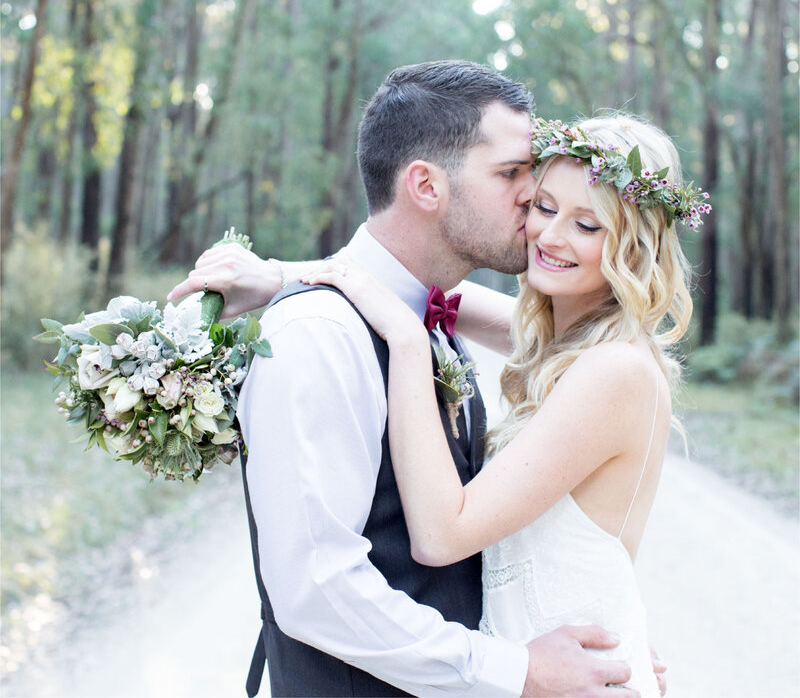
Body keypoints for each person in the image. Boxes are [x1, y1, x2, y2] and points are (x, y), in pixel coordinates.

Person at [169, 61, 657, 697]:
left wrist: (613, 627)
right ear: (426, 185)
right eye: (512, 174)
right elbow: (315, 586)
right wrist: (516, 671)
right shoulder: (319, 333)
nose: (532, 206)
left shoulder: (433, 315)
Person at [293, 113, 709, 697]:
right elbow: (433, 291)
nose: (551, 236)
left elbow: (441, 535)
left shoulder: (614, 370)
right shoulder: (573, 345)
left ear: (632, 248)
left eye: (587, 224)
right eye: (544, 207)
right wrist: (277, 280)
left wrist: (409, 344)